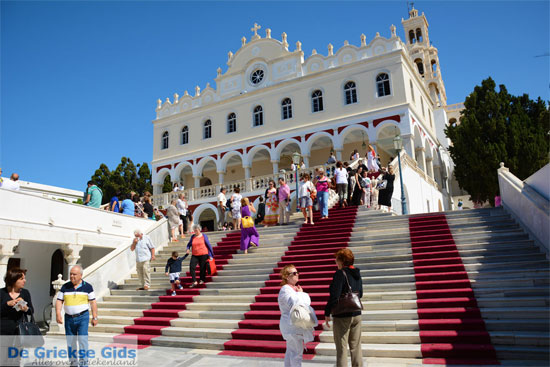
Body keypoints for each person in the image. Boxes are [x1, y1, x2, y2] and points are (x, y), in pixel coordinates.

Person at [324, 249, 363, 367]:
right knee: (356, 347)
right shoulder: (357, 273)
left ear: (341, 260)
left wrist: (327, 312)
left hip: (342, 315)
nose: (336, 262)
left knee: (341, 349)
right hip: (356, 313)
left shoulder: (340, 273)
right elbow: (360, 294)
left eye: (336, 259)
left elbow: (334, 296)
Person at [55, 265, 98, 367]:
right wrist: (58, 313)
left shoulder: (88, 287)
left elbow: (93, 303)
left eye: (74, 274)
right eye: (70, 274)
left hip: (83, 317)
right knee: (71, 342)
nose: (72, 276)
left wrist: (95, 317)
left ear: (81, 275)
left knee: (83, 341)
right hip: (69, 318)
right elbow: (59, 300)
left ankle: (84, 365)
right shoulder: (65, 287)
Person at [278, 264, 318, 367]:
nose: (297, 275)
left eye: (297, 272)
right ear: (287, 276)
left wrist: (299, 293)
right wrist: (301, 293)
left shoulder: (292, 289)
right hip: (292, 326)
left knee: (291, 352)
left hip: (292, 326)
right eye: (294, 273)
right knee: (296, 354)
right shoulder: (285, 289)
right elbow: (295, 304)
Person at [1, 268, 34, 366]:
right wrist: (7, 304)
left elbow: (31, 311)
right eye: (21, 279)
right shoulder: (2, 293)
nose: (25, 281)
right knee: (2, 358)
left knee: (16, 358)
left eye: (24, 278)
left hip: (20, 331)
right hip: (3, 331)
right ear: (13, 279)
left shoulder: (25, 293)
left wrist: (25, 309)